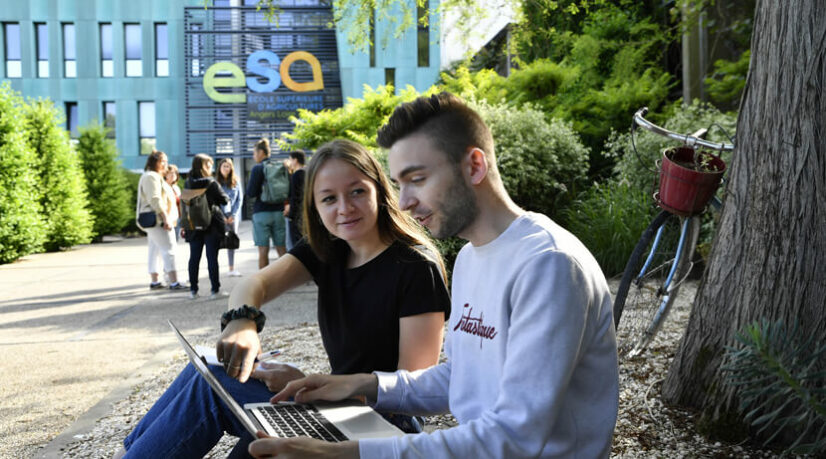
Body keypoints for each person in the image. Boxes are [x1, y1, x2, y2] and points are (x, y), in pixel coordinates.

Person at [251, 93, 619, 458]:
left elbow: (514, 437)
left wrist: (341, 454)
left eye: (417, 179)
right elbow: (462, 377)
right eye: (399, 184)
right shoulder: (472, 258)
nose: (404, 201)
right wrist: (359, 384)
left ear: (474, 166)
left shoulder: (549, 265)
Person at [115, 139, 450, 458]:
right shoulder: (330, 249)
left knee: (215, 386)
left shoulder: (416, 267)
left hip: (383, 427)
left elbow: (412, 394)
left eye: (357, 192)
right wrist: (243, 323)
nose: (344, 208)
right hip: (335, 405)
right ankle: (129, 452)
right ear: (315, 208)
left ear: (379, 189)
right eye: (329, 199)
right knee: (210, 368)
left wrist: (310, 386)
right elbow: (254, 284)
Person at [137, 150, 186, 291]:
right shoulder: (151, 177)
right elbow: (155, 199)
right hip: (158, 221)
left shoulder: (152, 176)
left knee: (154, 250)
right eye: (162, 161)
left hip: (156, 221)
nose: (165, 164)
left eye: (166, 161)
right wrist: (166, 218)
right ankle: (174, 282)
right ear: (155, 162)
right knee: (169, 249)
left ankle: (155, 281)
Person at [184, 153, 230, 300]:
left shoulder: (188, 182)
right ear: (204, 166)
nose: (211, 167)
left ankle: (193, 290)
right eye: (209, 165)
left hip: (194, 224)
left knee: (194, 258)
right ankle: (214, 290)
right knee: (212, 258)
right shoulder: (211, 183)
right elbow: (224, 200)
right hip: (211, 224)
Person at [246, 138, 287, 269]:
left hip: (261, 213)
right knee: (282, 249)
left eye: (254, 153)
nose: (253, 156)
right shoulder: (279, 167)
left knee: (263, 250)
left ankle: (264, 284)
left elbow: (251, 192)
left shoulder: (257, 168)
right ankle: (287, 280)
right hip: (279, 212)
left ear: (260, 152)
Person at [217, 158, 243, 277]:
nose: (226, 168)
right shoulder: (215, 182)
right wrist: (222, 216)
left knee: (231, 241)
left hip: (233, 217)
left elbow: (239, 199)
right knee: (217, 242)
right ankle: (214, 268)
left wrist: (233, 215)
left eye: (228, 166)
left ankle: (231, 268)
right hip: (219, 217)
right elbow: (214, 201)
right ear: (220, 168)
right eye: (224, 166)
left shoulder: (235, 181)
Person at [283, 149, 306, 250]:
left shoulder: (297, 174)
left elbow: (295, 197)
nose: (290, 162)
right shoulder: (308, 172)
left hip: (297, 217)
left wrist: (291, 215)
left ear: (295, 160)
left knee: (296, 246)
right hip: (305, 215)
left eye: (290, 159)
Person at [164, 164, 182, 242]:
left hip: (177, 219)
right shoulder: (163, 186)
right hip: (167, 219)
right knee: (167, 243)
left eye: (175, 173)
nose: (173, 175)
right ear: (165, 174)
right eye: (170, 173)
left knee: (175, 241)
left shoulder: (176, 188)